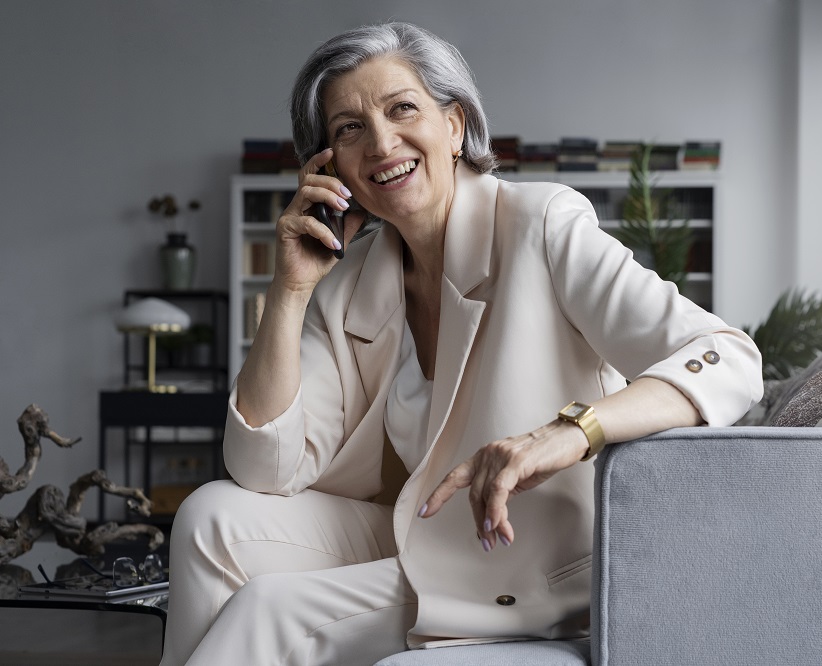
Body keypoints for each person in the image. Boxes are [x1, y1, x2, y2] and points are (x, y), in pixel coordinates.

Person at [160, 21, 763, 666]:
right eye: (348, 129)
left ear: (455, 125)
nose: (381, 143)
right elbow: (265, 472)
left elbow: (730, 356)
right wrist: (290, 289)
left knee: (269, 611)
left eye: (402, 109)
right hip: (421, 532)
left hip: (528, 551)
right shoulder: (348, 284)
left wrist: (571, 430)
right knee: (211, 518)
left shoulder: (543, 224)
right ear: (330, 167)